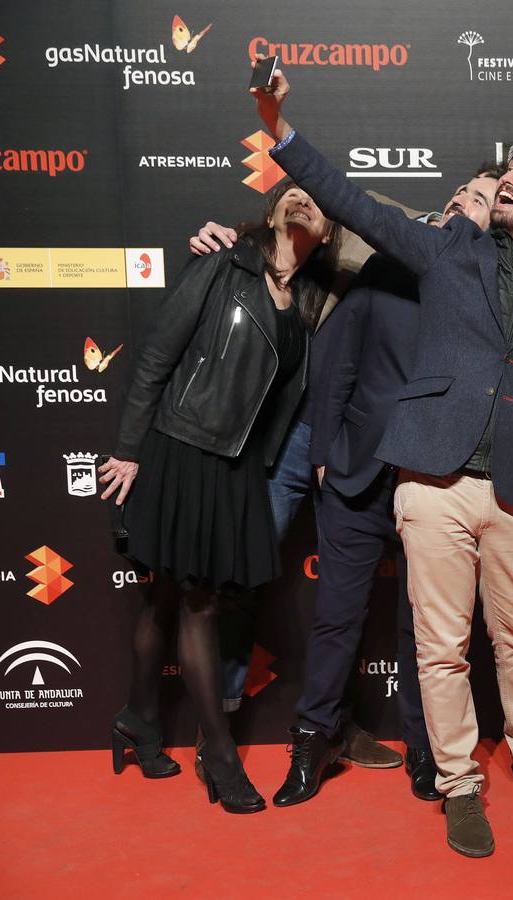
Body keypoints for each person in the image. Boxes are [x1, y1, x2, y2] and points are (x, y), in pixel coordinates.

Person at [252, 66, 513, 857]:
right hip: (434, 484)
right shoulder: (450, 253)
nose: (510, 178)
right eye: (508, 169)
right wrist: (280, 130)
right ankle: (458, 784)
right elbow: (353, 203)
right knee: (439, 647)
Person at [189, 165, 505, 806]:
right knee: (334, 614)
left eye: (478, 199)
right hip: (355, 468)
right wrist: (328, 450)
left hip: (434, 481)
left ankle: (427, 746)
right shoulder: (388, 259)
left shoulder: (493, 295)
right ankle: (313, 737)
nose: (457, 200)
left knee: (426, 627)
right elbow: (337, 366)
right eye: (460, 190)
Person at [100, 178, 340, 814]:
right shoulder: (221, 261)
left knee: (166, 596)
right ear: (268, 209)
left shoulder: (309, 303)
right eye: (289, 191)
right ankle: (222, 757)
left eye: (315, 200)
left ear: (329, 233)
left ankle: (138, 720)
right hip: (181, 448)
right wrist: (128, 449)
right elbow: (157, 354)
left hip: (234, 469)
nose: (300, 199)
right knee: (199, 604)